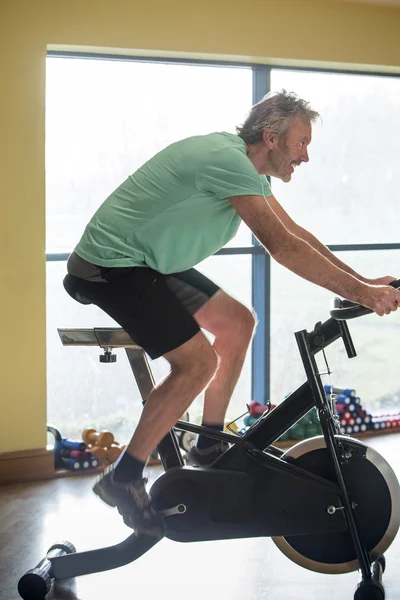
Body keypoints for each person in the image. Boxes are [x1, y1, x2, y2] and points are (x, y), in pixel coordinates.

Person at [65, 90, 400, 536]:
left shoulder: (247, 169)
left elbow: (295, 233)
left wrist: (366, 284)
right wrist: (362, 293)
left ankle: (206, 444)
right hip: (109, 265)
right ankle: (123, 478)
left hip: (148, 262)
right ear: (271, 138)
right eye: (302, 143)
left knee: (238, 323)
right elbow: (281, 248)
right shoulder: (227, 161)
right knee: (198, 362)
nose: (306, 157)